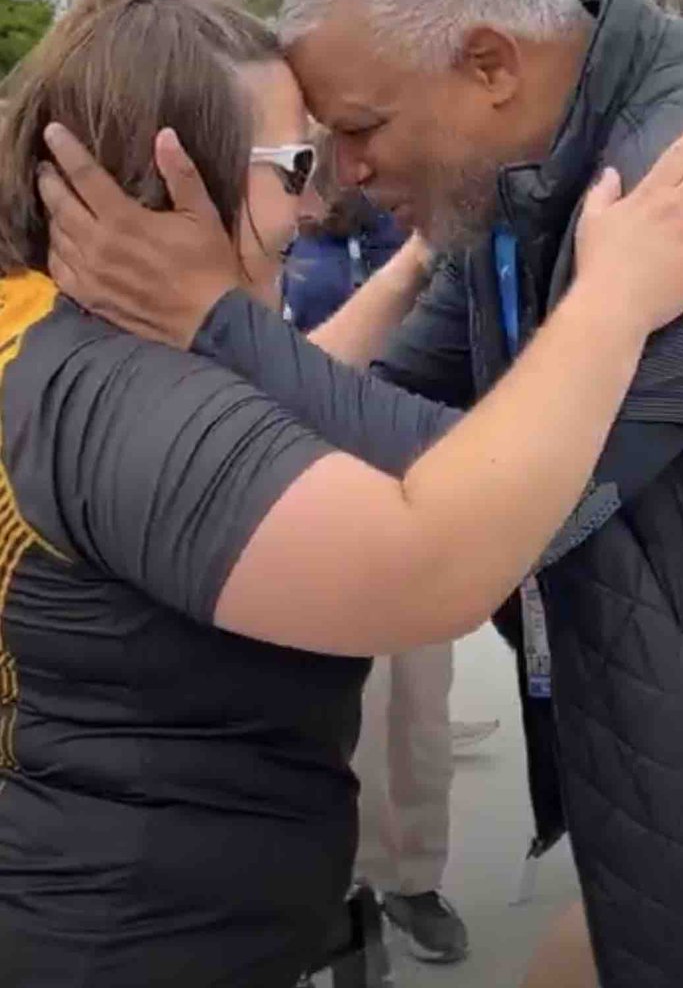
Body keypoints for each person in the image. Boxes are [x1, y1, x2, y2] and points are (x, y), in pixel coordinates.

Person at [29, 0, 683, 988]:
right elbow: (446, 549)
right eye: (296, 163)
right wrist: (617, 298)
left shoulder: (76, 351)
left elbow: (320, 410)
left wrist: (411, 266)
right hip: (135, 940)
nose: (321, 194)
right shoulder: (136, 401)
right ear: (176, 173)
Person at [268, 0, 683, 988]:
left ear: (489, 63)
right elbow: (399, 406)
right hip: (661, 761)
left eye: (359, 128)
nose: (344, 172)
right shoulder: (518, 166)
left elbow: (535, 508)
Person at [285, 196, 470, 963]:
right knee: (351, 710)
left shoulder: (426, 232)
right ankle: (354, 882)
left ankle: (414, 879)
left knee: (421, 709)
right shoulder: (283, 239)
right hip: (318, 499)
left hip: (421, 491)